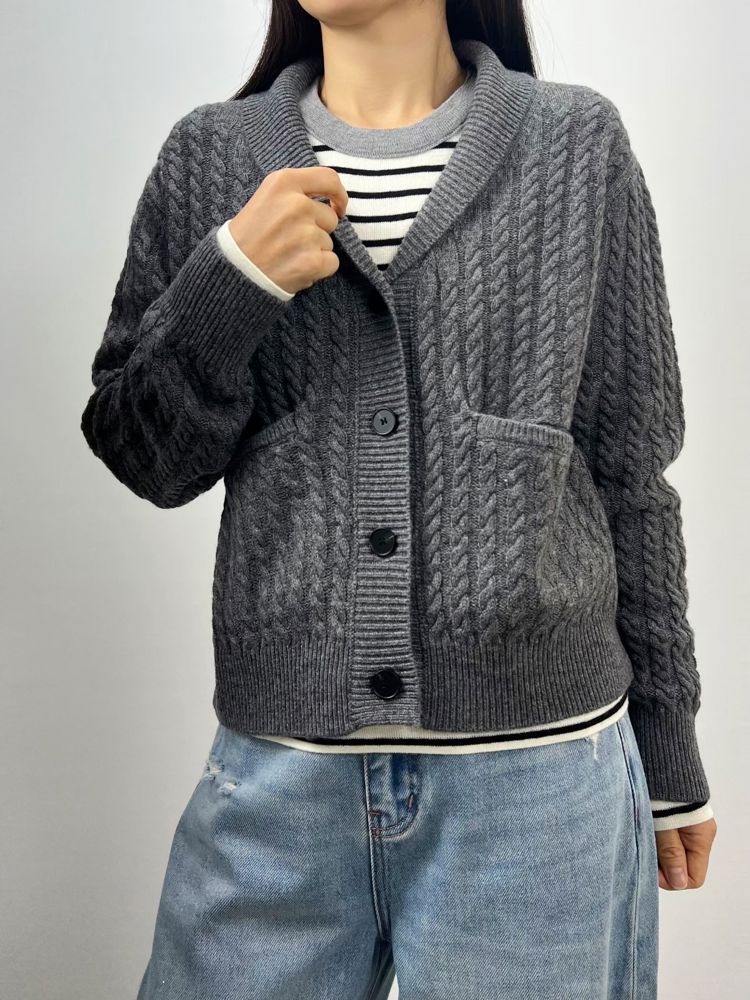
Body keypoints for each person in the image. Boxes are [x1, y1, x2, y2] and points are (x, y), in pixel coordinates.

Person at [80, 1, 717, 997]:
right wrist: (232, 280)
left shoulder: (575, 144)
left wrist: (669, 751)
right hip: (277, 787)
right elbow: (143, 456)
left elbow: (631, 468)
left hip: (540, 793)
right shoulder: (212, 154)